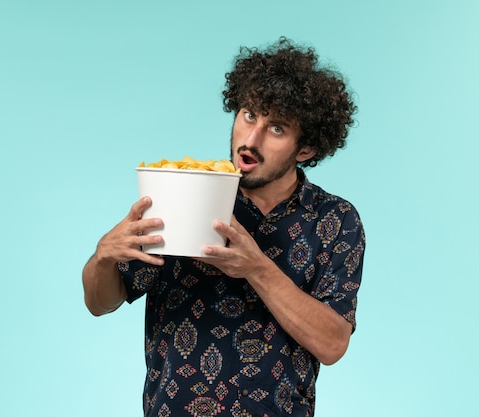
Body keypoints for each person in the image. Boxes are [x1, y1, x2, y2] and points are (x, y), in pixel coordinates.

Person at [82, 37, 365, 417]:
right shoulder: (182, 191)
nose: (251, 139)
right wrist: (103, 256)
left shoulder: (335, 220)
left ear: (306, 150)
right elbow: (101, 303)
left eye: (276, 128)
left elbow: (332, 345)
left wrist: (256, 267)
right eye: (249, 115)